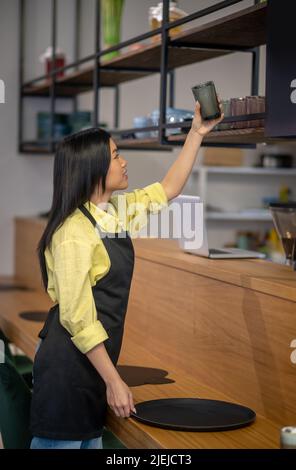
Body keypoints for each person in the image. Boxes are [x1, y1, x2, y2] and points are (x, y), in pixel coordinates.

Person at [29, 101, 223, 449]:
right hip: (67, 366)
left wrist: (197, 132)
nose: (123, 161)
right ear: (94, 169)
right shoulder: (72, 232)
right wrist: (114, 380)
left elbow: (168, 189)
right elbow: (78, 318)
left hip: (93, 362)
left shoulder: (113, 213)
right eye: (115, 155)